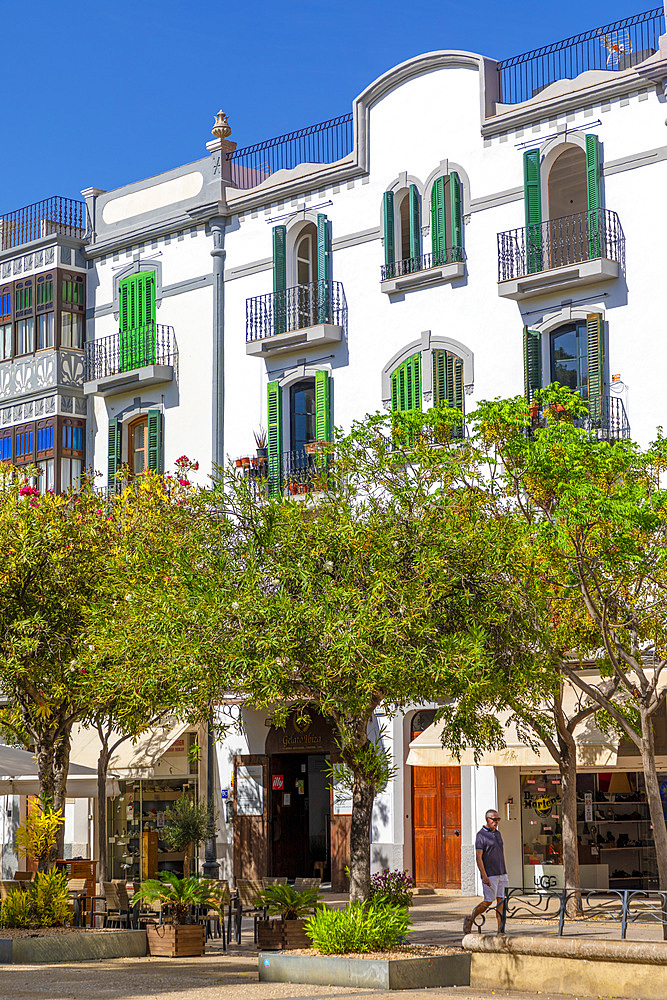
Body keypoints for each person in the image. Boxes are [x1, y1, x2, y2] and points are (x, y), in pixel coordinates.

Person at [462, 808, 508, 935]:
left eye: (498, 819)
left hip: (502, 872)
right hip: (490, 873)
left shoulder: (498, 834)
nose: (496, 822)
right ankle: (471, 917)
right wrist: (484, 875)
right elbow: (478, 857)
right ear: (487, 819)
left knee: (501, 900)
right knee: (488, 901)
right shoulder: (481, 835)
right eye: (494, 819)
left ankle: (500, 929)